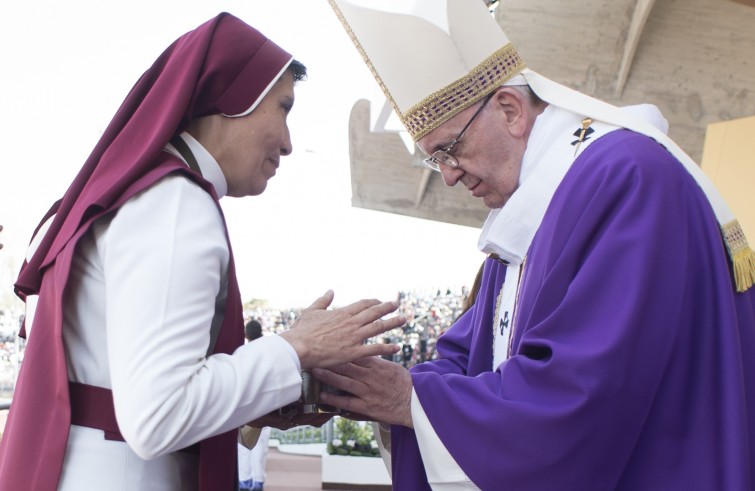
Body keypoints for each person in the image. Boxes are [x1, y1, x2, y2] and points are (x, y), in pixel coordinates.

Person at [315, 1, 755, 490]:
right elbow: (468, 357)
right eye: (434, 161)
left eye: (450, 149)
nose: (449, 176)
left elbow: (588, 394)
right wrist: (364, 385)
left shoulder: (627, 178)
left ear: (510, 109)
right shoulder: (525, 217)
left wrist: (409, 400)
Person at [0, 13, 404, 491]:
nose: (290, 143)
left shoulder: (140, 197)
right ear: (236, 99)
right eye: (284, 107)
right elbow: (158, 416)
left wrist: (268, 396)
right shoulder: (176, 204)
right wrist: (296, 348)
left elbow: (120, 386)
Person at [238, 320, 271, 491]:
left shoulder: (243, 352)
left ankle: (245, 482)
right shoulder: (269, 351)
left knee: (243, 448)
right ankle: (257, 483)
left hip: (246, 408)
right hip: (265, 407)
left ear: (246, 334)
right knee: (260, 448)